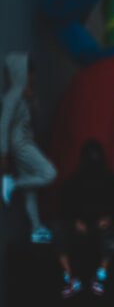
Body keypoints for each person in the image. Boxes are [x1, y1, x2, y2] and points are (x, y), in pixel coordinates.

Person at [0, 52, 57, 243]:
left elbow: (32, 121)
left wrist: (32, 100)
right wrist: (3, 154)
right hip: (21, 145)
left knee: (31, 193)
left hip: (25, 143)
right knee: (49, 174)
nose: (33, 77)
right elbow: (4, 125)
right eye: (30, 72)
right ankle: (14, 184)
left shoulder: (23, 95)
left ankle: (36, 228)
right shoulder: (13, 96)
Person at [57, 140, 114, 298]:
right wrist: (75, 220)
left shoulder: (109, 179)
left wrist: (109, 218)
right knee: (59, 230)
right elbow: (64, 204)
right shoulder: (75, 179)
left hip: (103, 224)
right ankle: (70, 278)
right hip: (78, 223)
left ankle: (100, 277)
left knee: (113, 235)